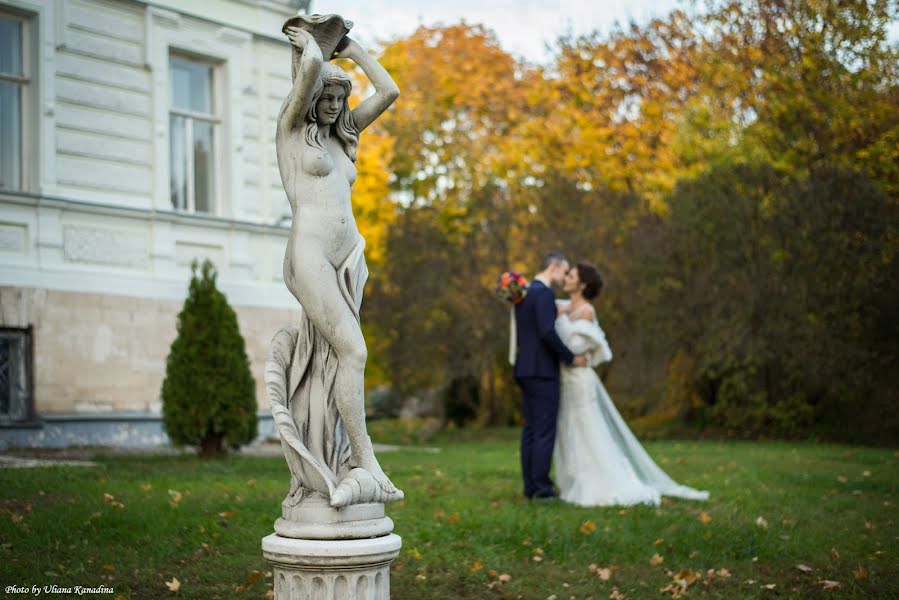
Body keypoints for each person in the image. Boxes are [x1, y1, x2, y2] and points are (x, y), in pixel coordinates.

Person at [276, 22, 401, 503]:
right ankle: (363, 458)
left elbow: (389, 91)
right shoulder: (291, 133)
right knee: (354, 352)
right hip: (309, 254)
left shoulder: (342, 136)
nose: (331, 104)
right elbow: (307, 70)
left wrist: (355, 51)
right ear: (309, 99)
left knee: (340, 358)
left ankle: (338, 450)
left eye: (338, 96)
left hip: (346, 259)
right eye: (324, 97)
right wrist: (311, 46)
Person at [553, 262, 709, 506]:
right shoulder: (565, 307)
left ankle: (597, 485)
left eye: (571, 275)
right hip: (566, 379)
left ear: (581, 285)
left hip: (580, 381)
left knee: (587, 430)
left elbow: (579, 348)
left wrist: (561, 326)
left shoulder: (585, 312)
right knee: (569, 430)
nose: (566, 277)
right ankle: (573, 482)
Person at [513, 252, 587, 500]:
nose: (565, 277)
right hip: (542, 371)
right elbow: (547, 332)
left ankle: (530, 487)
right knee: (544, 431)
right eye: (565, 272)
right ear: (554, 267)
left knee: (531, 431)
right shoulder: (543, 293)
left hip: (524, 368)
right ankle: (542, 488)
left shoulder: (522, 293)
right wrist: (570, 357)